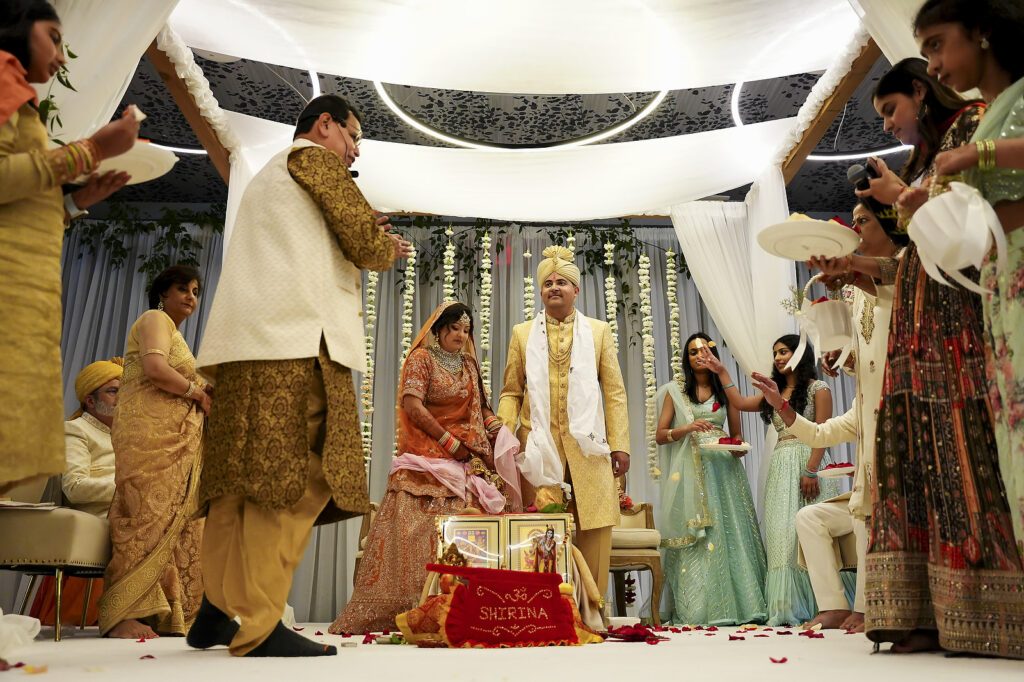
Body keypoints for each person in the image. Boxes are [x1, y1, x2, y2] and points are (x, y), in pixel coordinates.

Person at [813, 55, 1024, 657]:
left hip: (956, 328)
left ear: (920, 92)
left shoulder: (973, 129)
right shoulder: (926, 159)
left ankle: (986, 612)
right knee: (919, 464)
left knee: (962, 456)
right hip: (916, 333)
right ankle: (925, 613)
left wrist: (902, 196)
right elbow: (910, 260)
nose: (887, 126)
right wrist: (853, 266)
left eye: (890, 110)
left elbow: (966, 240)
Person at [189, 94, 409, 658]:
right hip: (294, 342)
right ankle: (260, 623)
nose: (355, 151)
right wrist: (385, 246)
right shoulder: (314, 159)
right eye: (353, 136)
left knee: (239, 480)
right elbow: (364, 243)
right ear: (325, 124)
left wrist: (359, 232)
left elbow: (322, 237)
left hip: (246, 346)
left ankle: (216, 607)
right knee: (295, 477)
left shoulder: (273, 175)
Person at [0, 0, 137, 494]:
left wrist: (77, 202)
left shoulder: (21, 97)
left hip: (28, 289)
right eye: (54, 38)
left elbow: (20, 212)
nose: (61, 56)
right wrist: (91, 149)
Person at [329, 302, 518, 634]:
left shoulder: (469, 364)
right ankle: (409, 608)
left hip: (466, 458)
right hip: (426, 457)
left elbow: (481, 406)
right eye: (454, 328)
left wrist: (494, 427)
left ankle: (467, 607)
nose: (460, 335)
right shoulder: (422, 359)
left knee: (480, 520)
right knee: (415, 530)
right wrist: (449, 441)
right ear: (438, 329)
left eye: (466, 330)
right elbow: (412, 406)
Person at [922, 0, 1024, 564]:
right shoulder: (985, 118)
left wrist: (974, 154)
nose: (933, 65)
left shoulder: (1013, 102)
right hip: (1002, 288)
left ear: (982, 31)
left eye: (937, 44)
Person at [498, 245, 630, 603]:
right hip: (538, 445)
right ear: (541, 292)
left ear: (576, 290)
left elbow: (614, 392)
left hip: (589, 445)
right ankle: (543, 610)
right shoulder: (523, 333)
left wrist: (620, 444)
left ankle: (593, 610)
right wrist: (503, 437)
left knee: (594, 527)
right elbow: (511, 391)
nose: (554, 287)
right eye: (548, 283)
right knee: (540, 528)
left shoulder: (598, 332)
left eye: (561, 282)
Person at [700, 336, 848, 626]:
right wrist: (722, 371)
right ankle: (787, 606)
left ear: (800, 354)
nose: (778, 358)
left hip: (810, 462)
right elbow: (739, 402)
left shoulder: (818, 388)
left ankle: (829, 604)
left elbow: (824, 432)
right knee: (783, 535)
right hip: (781, 466)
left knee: (811, 535)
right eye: (775, 353)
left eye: (784, 351)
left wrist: (811, 470)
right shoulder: (774, 392)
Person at [97, 266, 211, 640]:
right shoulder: (154, 319)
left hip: (176, 440)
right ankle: (122, 615)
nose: (191, 296)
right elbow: (156, 369)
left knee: (176, 521)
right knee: (144, 516)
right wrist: (197, 393)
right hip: (148, 437)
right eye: (183, 289)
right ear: (162, 293)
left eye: (196, 291)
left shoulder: (177, 335)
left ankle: (167, 614)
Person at [655, 332, 767, 626]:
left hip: (723, 469)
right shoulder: (676, 392)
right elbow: (661, 435)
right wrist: (688, 427)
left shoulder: (726, 392)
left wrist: (737, 448)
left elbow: (737, 435)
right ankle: (697, 608)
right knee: (699, 534)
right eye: (693, 352)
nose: (699, 356)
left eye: (704, 350)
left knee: (729, 531)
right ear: (687, 359)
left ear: (714, 355)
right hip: (690, 470)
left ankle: (741, 604)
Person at [29, 357, 123, 628]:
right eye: (113, 391)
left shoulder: (128, 433)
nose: (122, 397)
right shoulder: (76, 429)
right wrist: (129, 489)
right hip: (100, 516)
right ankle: (122, 615)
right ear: (90, 401)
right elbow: (75, 487)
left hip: (128, 509)